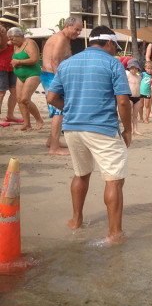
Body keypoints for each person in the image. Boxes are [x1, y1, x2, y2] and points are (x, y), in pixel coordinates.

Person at [46, 26, 132, 244]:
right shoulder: (113, 63)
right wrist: (128, 129)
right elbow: (123, 101)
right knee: (113, 180)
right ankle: (115, 234)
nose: (115, 51)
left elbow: (51, 97)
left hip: (73, 128)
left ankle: (76, 220)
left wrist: (71, 109)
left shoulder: (67, 63)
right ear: (110, 44)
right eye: (115, 47)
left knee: (81, 174)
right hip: (102, 127)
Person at [41, 16, 83, 155]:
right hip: (52, 76)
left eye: (80, 30)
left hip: (51, 76)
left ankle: (51, 141)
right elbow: (55, 62)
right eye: (76, 29)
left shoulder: (65, 39)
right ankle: (54, 148)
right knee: (59, 110)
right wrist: (61, 82)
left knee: (59, 110)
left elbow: (65, 58)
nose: (78, 33)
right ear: (67, 26)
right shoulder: (60, 38)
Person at [7, 27, 44, 131]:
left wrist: (18, 62)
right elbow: (8, 44)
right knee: (19, 100)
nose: (11, 41)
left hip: (32, 73)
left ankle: (39, 120)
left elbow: (34, 59)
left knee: (25, 99)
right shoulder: (16, 45)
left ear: (19, 36)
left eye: (12, 39)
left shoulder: (29, 43)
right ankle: (27, 124)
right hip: (20, 76)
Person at [0, 24, 22, 127]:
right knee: (1, 93)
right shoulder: (1, 32)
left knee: (15, 92)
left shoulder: (11, 33)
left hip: (12, 66)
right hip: (1, 66)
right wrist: (6, 42)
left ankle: (10, 115)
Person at [126, 59, 143, 136]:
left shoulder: (139, 77)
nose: (133, 70)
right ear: (129, 69)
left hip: (137, 97)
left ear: (137, 69)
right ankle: (128, 129)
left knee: (135, 115)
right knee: (129, 114)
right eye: (132, 68)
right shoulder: (127, 77)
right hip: (130, 97)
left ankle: (135, 129)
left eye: (135, 68)